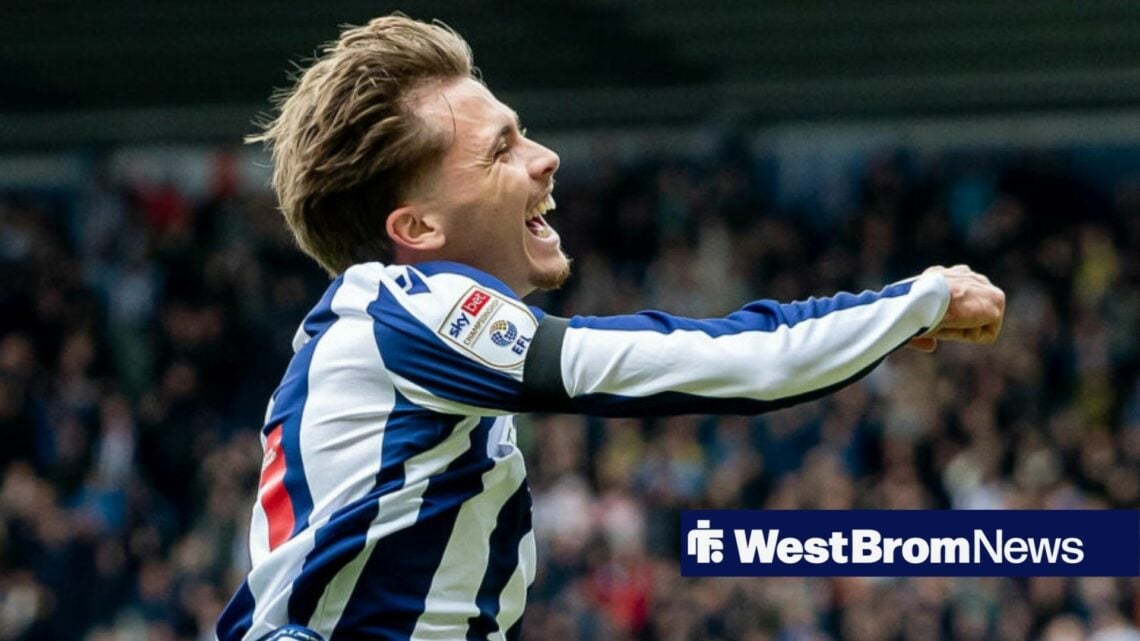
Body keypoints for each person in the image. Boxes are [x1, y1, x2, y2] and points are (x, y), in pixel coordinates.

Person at [216, 14, 1005, 641]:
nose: (546, 158)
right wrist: (919, 297)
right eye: (501, 151)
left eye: (522, 132)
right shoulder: (402, 313)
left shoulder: (394, 342)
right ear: (417, 226)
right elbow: (728, 363)